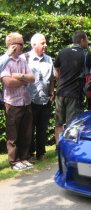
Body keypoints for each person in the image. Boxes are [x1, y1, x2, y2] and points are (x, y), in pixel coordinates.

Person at [0, 32, 35, 170]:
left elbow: (32, 78)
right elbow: (8, 82)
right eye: (21, 43)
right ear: (13, 46)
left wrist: (20, 76)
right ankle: (14, 161)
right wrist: (24, 80)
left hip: (26, 101)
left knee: (26, 133)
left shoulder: (22, 60)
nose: (23, 46)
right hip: (13, 103)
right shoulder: (4, 62)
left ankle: (24, 158)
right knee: (13, 135)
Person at [22, 33, 55, 161]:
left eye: (45, 42)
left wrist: (52, 92)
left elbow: (51, 77)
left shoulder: (48, 59)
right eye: (43, 43)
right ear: (34, 44)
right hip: (29, 99)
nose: (45, 45)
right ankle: (29, 154)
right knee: (29, 129)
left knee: (42, 128)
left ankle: (41, 153)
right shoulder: (25, 58)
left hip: (45, 99)